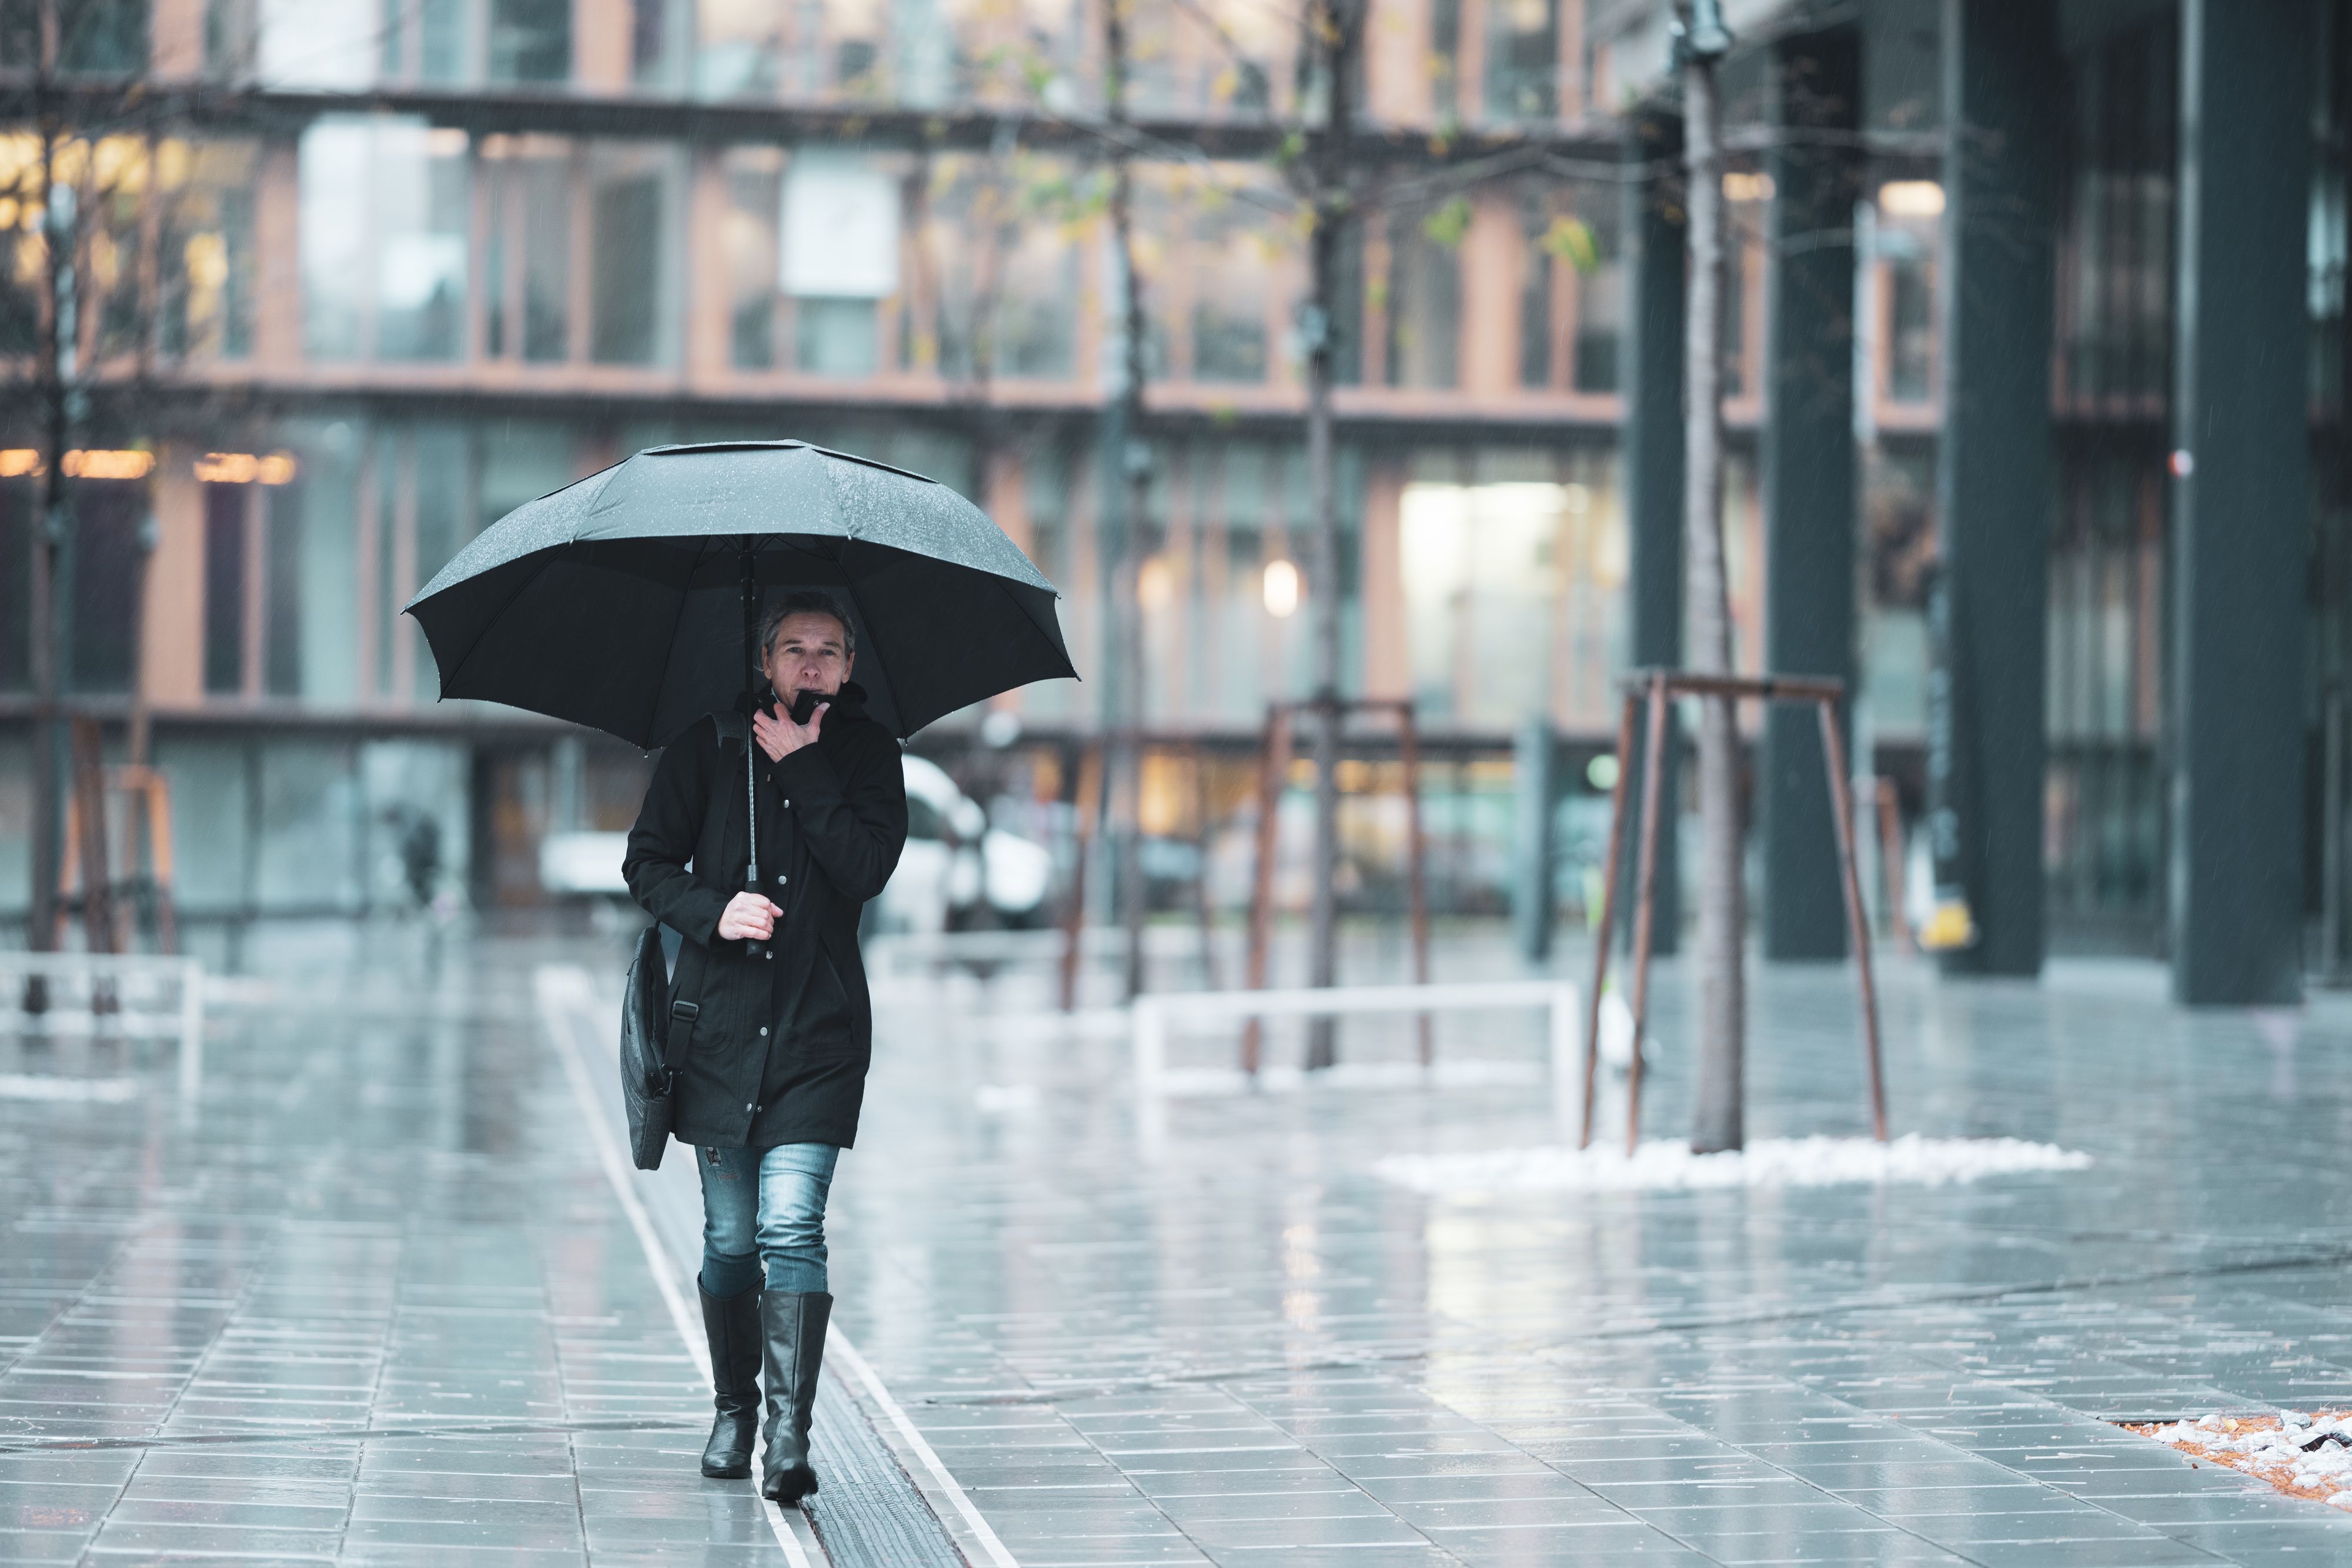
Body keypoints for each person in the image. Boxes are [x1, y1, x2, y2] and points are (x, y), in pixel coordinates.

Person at [622, 591, 908, 1503]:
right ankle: (735, 1407)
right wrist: (715, 912)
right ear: (767, 660)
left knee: (792, 1225)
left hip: (818, 1036)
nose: (812, 666)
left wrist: (807, 770)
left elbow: (866, 872)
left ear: (851, 667)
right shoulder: (708, 748)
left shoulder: (869, 757)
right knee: (732, 1238)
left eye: (829, 651)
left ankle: (789, 1437)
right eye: (794, 649)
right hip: (717, 1034)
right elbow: (646, 863)